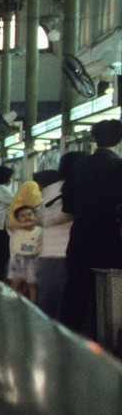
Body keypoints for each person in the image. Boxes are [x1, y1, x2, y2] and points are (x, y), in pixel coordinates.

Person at [62, 120, 122, 336]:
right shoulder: (119, 167)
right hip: (111, 236)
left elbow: (67, 206)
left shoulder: (78, 166)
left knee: (76, 288)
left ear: (93, 139)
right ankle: (103, 341)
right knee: (107, 292)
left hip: (81, 234)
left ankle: (67, 337)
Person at [34, 152, 80, 323]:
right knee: (53, 301)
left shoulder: (57, 188)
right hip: (57, 252)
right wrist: (74, 213)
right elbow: (45, 219)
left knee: (53, 300)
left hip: (59, 252)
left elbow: (41, 218)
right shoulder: (58, 189)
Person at [7, 203, 41, 302]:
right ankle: (13, 303)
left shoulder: (39, 230)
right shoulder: (15, 229)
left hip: (33, 259)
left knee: (32, 285)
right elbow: (8, 224)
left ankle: (32, 306)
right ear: (17, 219)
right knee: (16, 284)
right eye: (23, 216)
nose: (27, 217)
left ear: (35, 216)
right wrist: (28, 224)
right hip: (18, 259)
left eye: (30, 214)